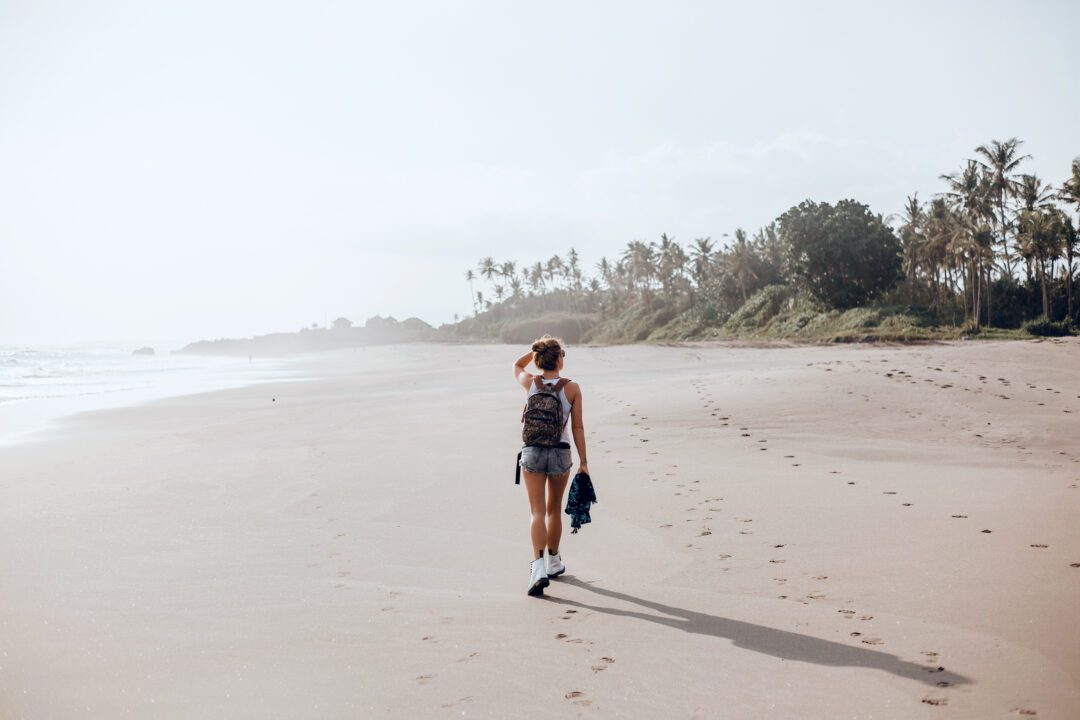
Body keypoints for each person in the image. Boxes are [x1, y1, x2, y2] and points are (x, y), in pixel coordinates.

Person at [513, 335, 589, 596]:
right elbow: (577, 427)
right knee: (553, 510)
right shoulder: (572, 388)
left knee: (536, 512)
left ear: (539, 358)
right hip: (560, 452)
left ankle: (538, 568)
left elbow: (516, 366)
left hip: (532, 451)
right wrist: (584, 462)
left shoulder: (530, 383)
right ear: (558, 359)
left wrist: (534, 350)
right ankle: (554, 560)